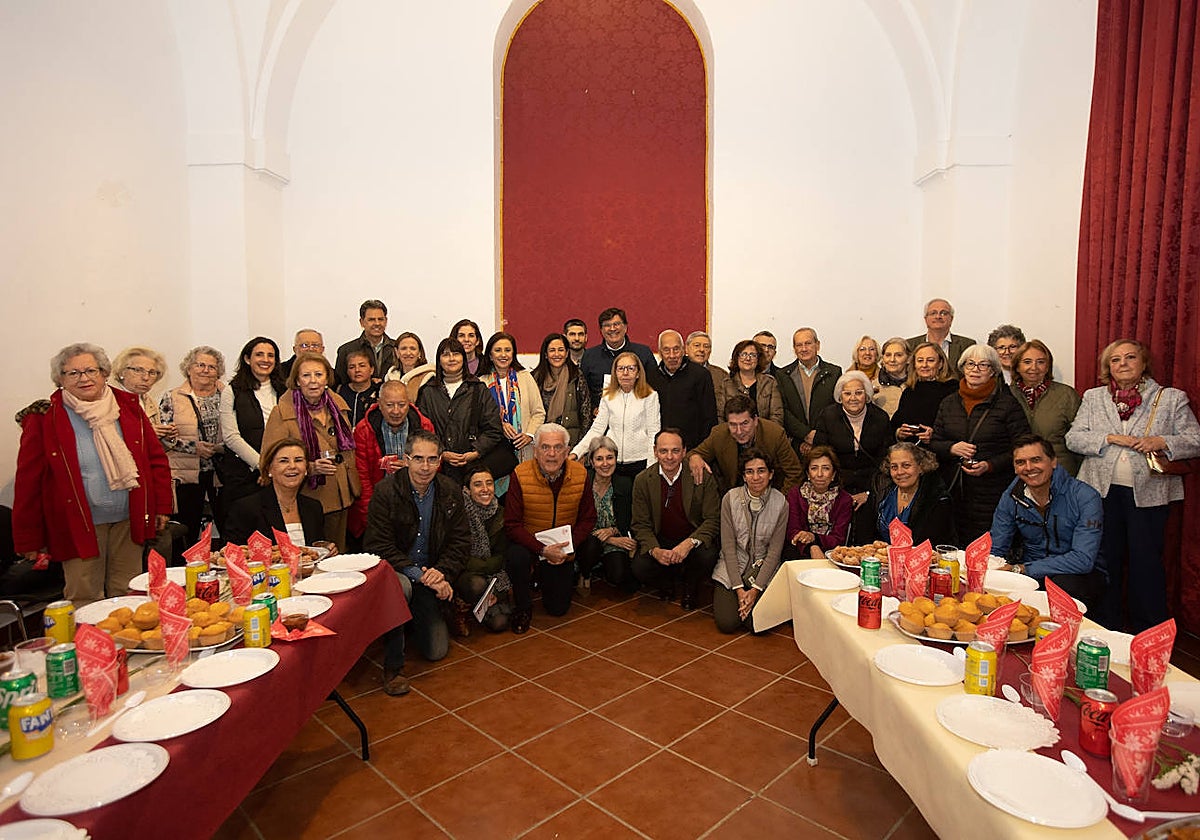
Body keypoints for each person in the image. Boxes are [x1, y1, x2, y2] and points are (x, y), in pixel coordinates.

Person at [13, 343, 172, 604]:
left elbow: (155, 459)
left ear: (104, 372)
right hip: (78, 524)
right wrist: (28, 538)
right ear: (60, 379)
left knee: (129, 591)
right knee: (85, 595)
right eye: (72, 373)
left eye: (90, 370)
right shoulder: (45, 418)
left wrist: (162, 507)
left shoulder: (128, 407)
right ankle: (91, 645)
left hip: (128, 519)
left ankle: (125, 645)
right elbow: (28, 482)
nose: (84, 378)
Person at [1066, 338, 1200, 631]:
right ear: (1107, 367)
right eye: (1115, 360)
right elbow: (1073, 438)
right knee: (1105, 560)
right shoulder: (1093, 397)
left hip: (1149, 495)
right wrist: (1108, 438)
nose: (1123, 364)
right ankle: (1105, 624)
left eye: (1129, 358)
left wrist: (1162, 441)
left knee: (1146, 563)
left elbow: (1194, 440)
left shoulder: (1171, 398)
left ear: (1143, 364)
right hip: (1100, 493)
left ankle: (1148, 629)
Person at [364, 431, 468, 696]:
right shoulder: (386, 491)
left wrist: (441, 572)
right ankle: (393, 666)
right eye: (418, 459)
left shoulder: (450, 490)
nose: (425, 467)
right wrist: (416, 574)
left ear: (440, 460)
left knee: (436, 651)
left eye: (432, 459)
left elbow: (460, 541)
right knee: (400, 589)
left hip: (431, 575)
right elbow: (377, 546)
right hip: (397, 572)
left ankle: (414, 618)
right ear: (406, 459)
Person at [929, 344, 1031, 542]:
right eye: (970, 364)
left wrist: (990, 465)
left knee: (987, 549)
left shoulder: (1007, 404)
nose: (975, 370)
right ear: (962, 368)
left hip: (993, 492)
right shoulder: (948, 402)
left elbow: (1022, 447)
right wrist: (951, 448)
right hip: (953, 490)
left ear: (993, 370)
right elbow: (934, 442)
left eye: (983, 365)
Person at [990, 435, 1104, 609]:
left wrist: (1022, 569)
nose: (1028, 468)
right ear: (1014, 467)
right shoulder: (1011, 496)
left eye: (1036, 460)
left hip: (1077, 575)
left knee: (1063, 585)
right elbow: (996, 549)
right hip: (1029, 573)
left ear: (1053, 462)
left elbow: (1083, 559)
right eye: (1021, 462)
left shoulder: (1085, 497)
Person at [262, 352, 360, 552]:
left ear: (327, 378)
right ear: (297, 380)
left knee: (337, 555)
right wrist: (309, 467)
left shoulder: (338, 406)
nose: (313, 381)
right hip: (305, 498)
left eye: (318, 374)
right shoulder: (282, 413)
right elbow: (269, 459)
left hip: (341, 494)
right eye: (306, 375)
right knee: (310, 556)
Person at [504, 424, 597, 632]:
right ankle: (523, 607)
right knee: (515, 556)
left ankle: (559, 578)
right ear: (535, 451)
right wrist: (542, 549)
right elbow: (512, 524)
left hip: (564, 547)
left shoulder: (581, 474)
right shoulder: (520, 474)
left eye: (558, 447)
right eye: (545, 447)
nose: (552, 454)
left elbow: (588, 518)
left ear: (567, 450)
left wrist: (567, 547)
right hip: (530, 545)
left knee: (558, 609)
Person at [630, 429, 721, 610]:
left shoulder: (702, 476)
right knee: (639, 566)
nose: (669, 457)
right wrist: (655, 550)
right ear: (655, 451)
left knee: (708, 555)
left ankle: (690, 587)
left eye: (675, 451)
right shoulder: (642, 480)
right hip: (661, 538)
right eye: (664, 451)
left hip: (691, 538)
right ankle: (665, 583)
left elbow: (712, 519)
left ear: (685, 451)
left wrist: (688, 544)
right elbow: (640, 524)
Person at [349, 380, 435, 545]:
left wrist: (412, 466)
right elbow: (362, 478)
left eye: (402, 405)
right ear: (379, 404)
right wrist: (370, 519)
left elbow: (434, 467)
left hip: (416, 502)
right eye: (389, 405)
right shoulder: (364, 430)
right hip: (379, 504)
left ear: (409, 404)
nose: (396, 411)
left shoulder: (424, 426)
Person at [713, 448, 788, 632]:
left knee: (756, 625)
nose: (756, 477)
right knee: (727, 623)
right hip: (733, 567)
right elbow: (728, 548)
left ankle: (752, 601)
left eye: (761, 471)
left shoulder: (781, 503)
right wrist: (739, 589)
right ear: (744, 476)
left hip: (763, 569)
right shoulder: (730, 499)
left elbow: (774, 553)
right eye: (749, 471)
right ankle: (740, 598)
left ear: (770, 474)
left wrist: (755, 590)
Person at [813, 371, 892, 542]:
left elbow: (886, 460)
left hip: (871, 486)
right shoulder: (828, 416)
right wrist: (839, 492)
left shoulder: (880, 418)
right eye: (847, 393)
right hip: (836, 485)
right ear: (840, 396)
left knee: (866, 529)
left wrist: (870, 493)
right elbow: (821, 455)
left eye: (859, 392)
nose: (853, 398)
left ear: (867, 395)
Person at [415, 337, 507, 484]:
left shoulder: (478, 389)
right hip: (437, 469)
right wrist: (441, 453)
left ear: (463, 358)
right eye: (445, 354)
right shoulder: (428, 392)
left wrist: (475, 452)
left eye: (456, 354)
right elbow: (421, 431)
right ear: (439, 360)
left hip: (472, 469)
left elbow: (494, 429)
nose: (451, 359)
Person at [159, 346, 226, 546]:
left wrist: (221, 447)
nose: (205, 370)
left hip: (220, 474)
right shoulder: (172, 397)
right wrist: (193, 448)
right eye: (200, 365)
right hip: (186, 474)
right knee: (186, 529)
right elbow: (164, 436)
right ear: (189, 368)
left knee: (228, 525)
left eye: (211, 367)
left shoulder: (228, 394)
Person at [223, 437, 335, 553]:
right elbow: (232, 554)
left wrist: (326, 550)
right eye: (283, 461)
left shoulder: (313, 507)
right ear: (269, 469)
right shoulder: (246, 508)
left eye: (298, 460)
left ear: (306, 468)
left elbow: (315, 550)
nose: (292, 466)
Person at [218, 336, 287, 506]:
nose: (265, 360)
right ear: (247, 359)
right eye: (259, 355)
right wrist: (262, 465)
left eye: (271, 356)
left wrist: (278, 466)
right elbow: (231, 437)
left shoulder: (285, 390)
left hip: (281, 470)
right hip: (244, 474)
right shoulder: (232, 391)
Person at [688, 395, 804, 494]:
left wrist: (779, 501)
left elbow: (794, 473)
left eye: (744, 423)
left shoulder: (775, 434)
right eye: (733, 425)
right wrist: (695, 457)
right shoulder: (718, 434)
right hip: (733, 497)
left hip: (770, 493)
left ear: (755, 420)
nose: (739, 431)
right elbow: (692, 454)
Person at [571, 352, 661, 478]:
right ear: (615, 372)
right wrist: (576, 453)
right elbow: (597, 429)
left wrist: (651, 467)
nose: (625, 373)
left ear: (638, 373)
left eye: (631, 368)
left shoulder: (650, 396)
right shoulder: (608, 396)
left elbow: (653, 433)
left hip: (641, 462)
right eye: (620, 369)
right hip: (613, 462)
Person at [477, 331, 545, 483]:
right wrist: (500, 424)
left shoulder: (525, 377)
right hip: (494, 452)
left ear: (513, 353)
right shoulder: (481, 382)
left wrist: (529, 434)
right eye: (498, 350)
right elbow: (477, 418)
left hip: (524, 449)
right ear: (490, 355)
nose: (503, 355)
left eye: (507, 350)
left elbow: (538, 412)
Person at [1009, 339, 1082, 476]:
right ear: (1017, 366)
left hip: (1060, 471)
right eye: (1027, 362)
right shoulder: (1006, 395)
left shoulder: (1067, 395)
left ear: (1048, 367)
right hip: (1020, 472)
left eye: (1041, 362)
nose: (1034, 367)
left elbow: (1080, 438)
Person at [575, 436, 637, 592]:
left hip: (615, 537)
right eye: (599, 459)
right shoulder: (582, 482)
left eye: (610, 458)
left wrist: (613, 532)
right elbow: (575, 520)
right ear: (591, 461)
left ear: (616, 459)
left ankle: (601, 566)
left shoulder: (625, 484)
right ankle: (585, 573)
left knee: (619, 576)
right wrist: (611, 539)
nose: (605, 464)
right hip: (587, 539)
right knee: (591, 546)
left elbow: (628, 518)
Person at [454, 464, 511, 634]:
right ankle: (457, 606)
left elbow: (503, 555)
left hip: (495, 575)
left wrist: (493, 589)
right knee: (477, 584)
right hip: (464, 574)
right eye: (478, 484)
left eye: (489, 483)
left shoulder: (502, 513)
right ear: (466, 489)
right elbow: (458, 556)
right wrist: (485, 567)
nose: (485, 489)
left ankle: (485, 601)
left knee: (500, 623)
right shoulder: (458, 515)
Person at [866, 443, 956, 547]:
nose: (899, 472)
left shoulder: (938, 499)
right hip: (881, 559)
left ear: (921, 467)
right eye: (894, 467)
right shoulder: (880, 491)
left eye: (906, 465)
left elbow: (932, 544)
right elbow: (867, 535)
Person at [646, 329, 717, 449]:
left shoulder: (700, 375)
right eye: (666, 350)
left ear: (684, 350)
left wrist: (702, 451)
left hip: (692, 448)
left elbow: (709, 418)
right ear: (660, 352)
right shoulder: (650, 376)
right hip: (659, 448)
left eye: (676, 349)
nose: (672, 355)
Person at [578, 307, 657, 408]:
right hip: (600, 417)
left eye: (616, 324)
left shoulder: (643, 353)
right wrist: (593, 409)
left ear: (625, 327)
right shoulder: (589, 356)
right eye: (607, 325)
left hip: (638, 415)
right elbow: (583, 392)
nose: (612, 329)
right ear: (601, 330)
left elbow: (653, 387)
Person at [780, 328, 842, 454]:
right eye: (799, 345)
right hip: (795, 444)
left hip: (827, 442)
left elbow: (836, 408)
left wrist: (817, 438)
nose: (804, 349)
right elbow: (783, 410)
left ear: (817, 345)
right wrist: (805, 435)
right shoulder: (783, 375)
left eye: (808, 343)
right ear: (794, 348)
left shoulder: (834, 373)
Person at [785, 446, 853, 559]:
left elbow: (839, 538)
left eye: (826, 468)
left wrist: (814, 538)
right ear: (807, 474)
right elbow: (793, 532)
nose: (820, 474)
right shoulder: (795, 495)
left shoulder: (844, 500)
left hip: (833, 554)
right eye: (814, 468)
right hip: (800, 552)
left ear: (833, 474)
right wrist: (812, 547)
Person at [530, 333, 592, 447]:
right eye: (552, 350)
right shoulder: (535, 378)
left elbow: (586, 413)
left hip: (570, 443)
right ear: (545, 354)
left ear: (567, 353)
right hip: (541, 442)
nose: (557, 354)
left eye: (561, 350)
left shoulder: (576, 376)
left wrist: (581, 447)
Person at [891, 341, 957, 447]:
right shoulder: (909, 391)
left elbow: (956, 426)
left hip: (940, 451)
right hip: (910, 451)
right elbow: (895, 423)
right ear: (914, 364)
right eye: (920, 361)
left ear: (940, 364)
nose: (924, 365)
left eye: (930, 360)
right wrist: (899, 433)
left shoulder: (952, 389)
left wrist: (935, 434)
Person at [907, 298, 976, 377]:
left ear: (951, 319)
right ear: (926, 319)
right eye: (933, 313)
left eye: (943, 313)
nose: (938, 316)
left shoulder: (967, 345)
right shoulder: (910, 345)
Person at [334, 299, 397, 386]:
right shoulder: (346, 350)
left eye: (380, 319)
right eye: (371, 320)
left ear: (386, 321)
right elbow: (340, 384)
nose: (377, 323)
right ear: (362, 322)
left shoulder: (397, 348)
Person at [723, 339, 784, 425]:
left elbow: (777, 415)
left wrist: (766, 434)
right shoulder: (726, 383)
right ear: (736, 358)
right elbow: (720, 416)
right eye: (743, 354)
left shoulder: (769, 382)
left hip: (764, 434)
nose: (748, 358)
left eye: (753, 355)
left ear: (758, 359)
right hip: (734, 434)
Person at [111, 346, 169, 435]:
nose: (146, 377)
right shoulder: (110, 399)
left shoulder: (149, 402)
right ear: (122, 372)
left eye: (152, 373)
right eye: (138, 370)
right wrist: (145, 433)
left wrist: (166, 436)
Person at [685, 330, 729, 416]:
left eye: (706, 346)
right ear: (686, 348)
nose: (701, 350)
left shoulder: (721, 375)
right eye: (697, 345)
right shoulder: (677, 372)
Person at [384, 331, 436, 403]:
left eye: (413, 349)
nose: (408, 353)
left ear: (419, 353)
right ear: (397, 352)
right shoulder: (389, 378)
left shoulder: (429, 378)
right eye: (403, 348)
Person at [334, 348, 380, 428]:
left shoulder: (379, 392)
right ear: (347, 371)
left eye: (362, 366)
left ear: (371, 370)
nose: (357, 370)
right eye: (352, 367)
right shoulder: (340, 392)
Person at [874, 337, 910, 418]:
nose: (892, 359)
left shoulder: (918, 384)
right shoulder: (874, 388)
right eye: (888, 355)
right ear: (883, 359)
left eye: (898, 355)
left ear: (908, 358)